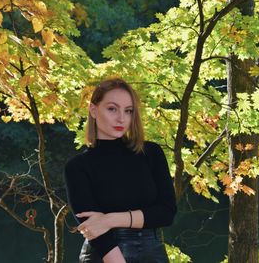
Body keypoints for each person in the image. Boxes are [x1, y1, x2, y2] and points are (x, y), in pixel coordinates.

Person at [64, 78, 177, 263]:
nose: (121, 118)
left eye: (128, 111)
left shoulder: (151, 153)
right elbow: (93, 229)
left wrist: (109, 220)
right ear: (93, 110)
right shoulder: (77, 167)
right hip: (104, 255)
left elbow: (166, 213)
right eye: (112, 109)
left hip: (152, 252)